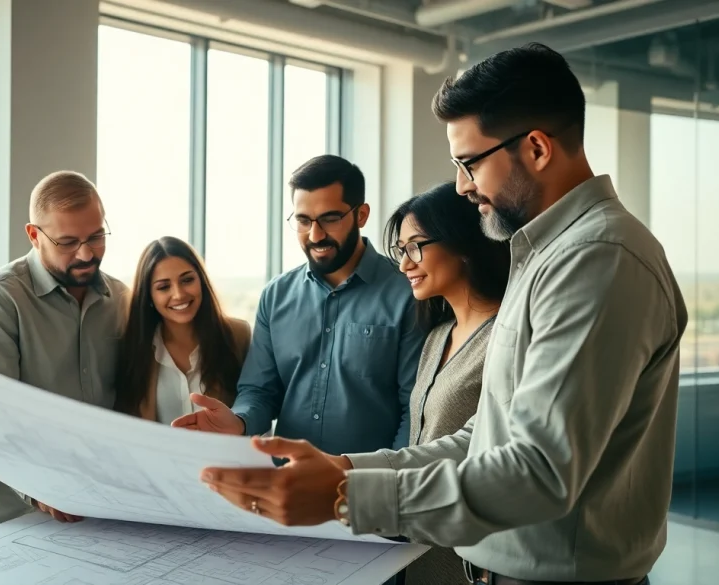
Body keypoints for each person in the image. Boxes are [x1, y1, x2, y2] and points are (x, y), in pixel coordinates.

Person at [198, 43, 687, 585]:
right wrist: (345, 471)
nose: (462, 185)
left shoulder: (598, 260)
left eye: (469, 162)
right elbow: (483, 438)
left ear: (538, 148)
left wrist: (348, 496)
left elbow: (539, 473)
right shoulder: (545, 255)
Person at [172, 154, 425, 457]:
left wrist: (389, 481)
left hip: (366, 489)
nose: (315, 235)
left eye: (330, 218)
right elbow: (260, 391)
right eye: (304, 221)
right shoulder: (276, 296)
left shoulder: (407, 293)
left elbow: (415, 406)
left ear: (361, 215)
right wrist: (239, 422)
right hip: (285, 485)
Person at [0, 170, 129, 543]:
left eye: (96, 236)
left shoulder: (121, 300)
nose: (87, 253)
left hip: (84, 513)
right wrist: (39, 486)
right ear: (34, 235)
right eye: (68, 241)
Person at [383, 182, 510, 584]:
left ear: (463, 244)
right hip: (419, 545)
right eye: (401, 250)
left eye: (417, 246)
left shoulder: (505, 338)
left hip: (476, 555)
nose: (405, 264)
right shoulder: (437, 336)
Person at [114, 236, 251, 423]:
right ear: (149, 296)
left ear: (201, 281)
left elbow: (255, 410)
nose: (178, 294)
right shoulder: (133, 350)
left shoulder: (238, 336)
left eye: (187, 280)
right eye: (163, 287)